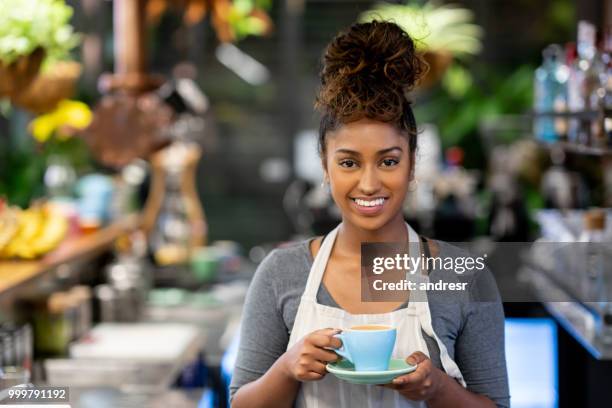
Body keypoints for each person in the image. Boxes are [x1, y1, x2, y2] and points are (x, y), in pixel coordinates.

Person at [230, 21, 509, 408]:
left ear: (412, 166)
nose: (368, 183)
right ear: (325, 169)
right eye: (348, 163)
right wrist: (286, 368)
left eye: (388, 161)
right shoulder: (281, 274)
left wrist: (438, 389)